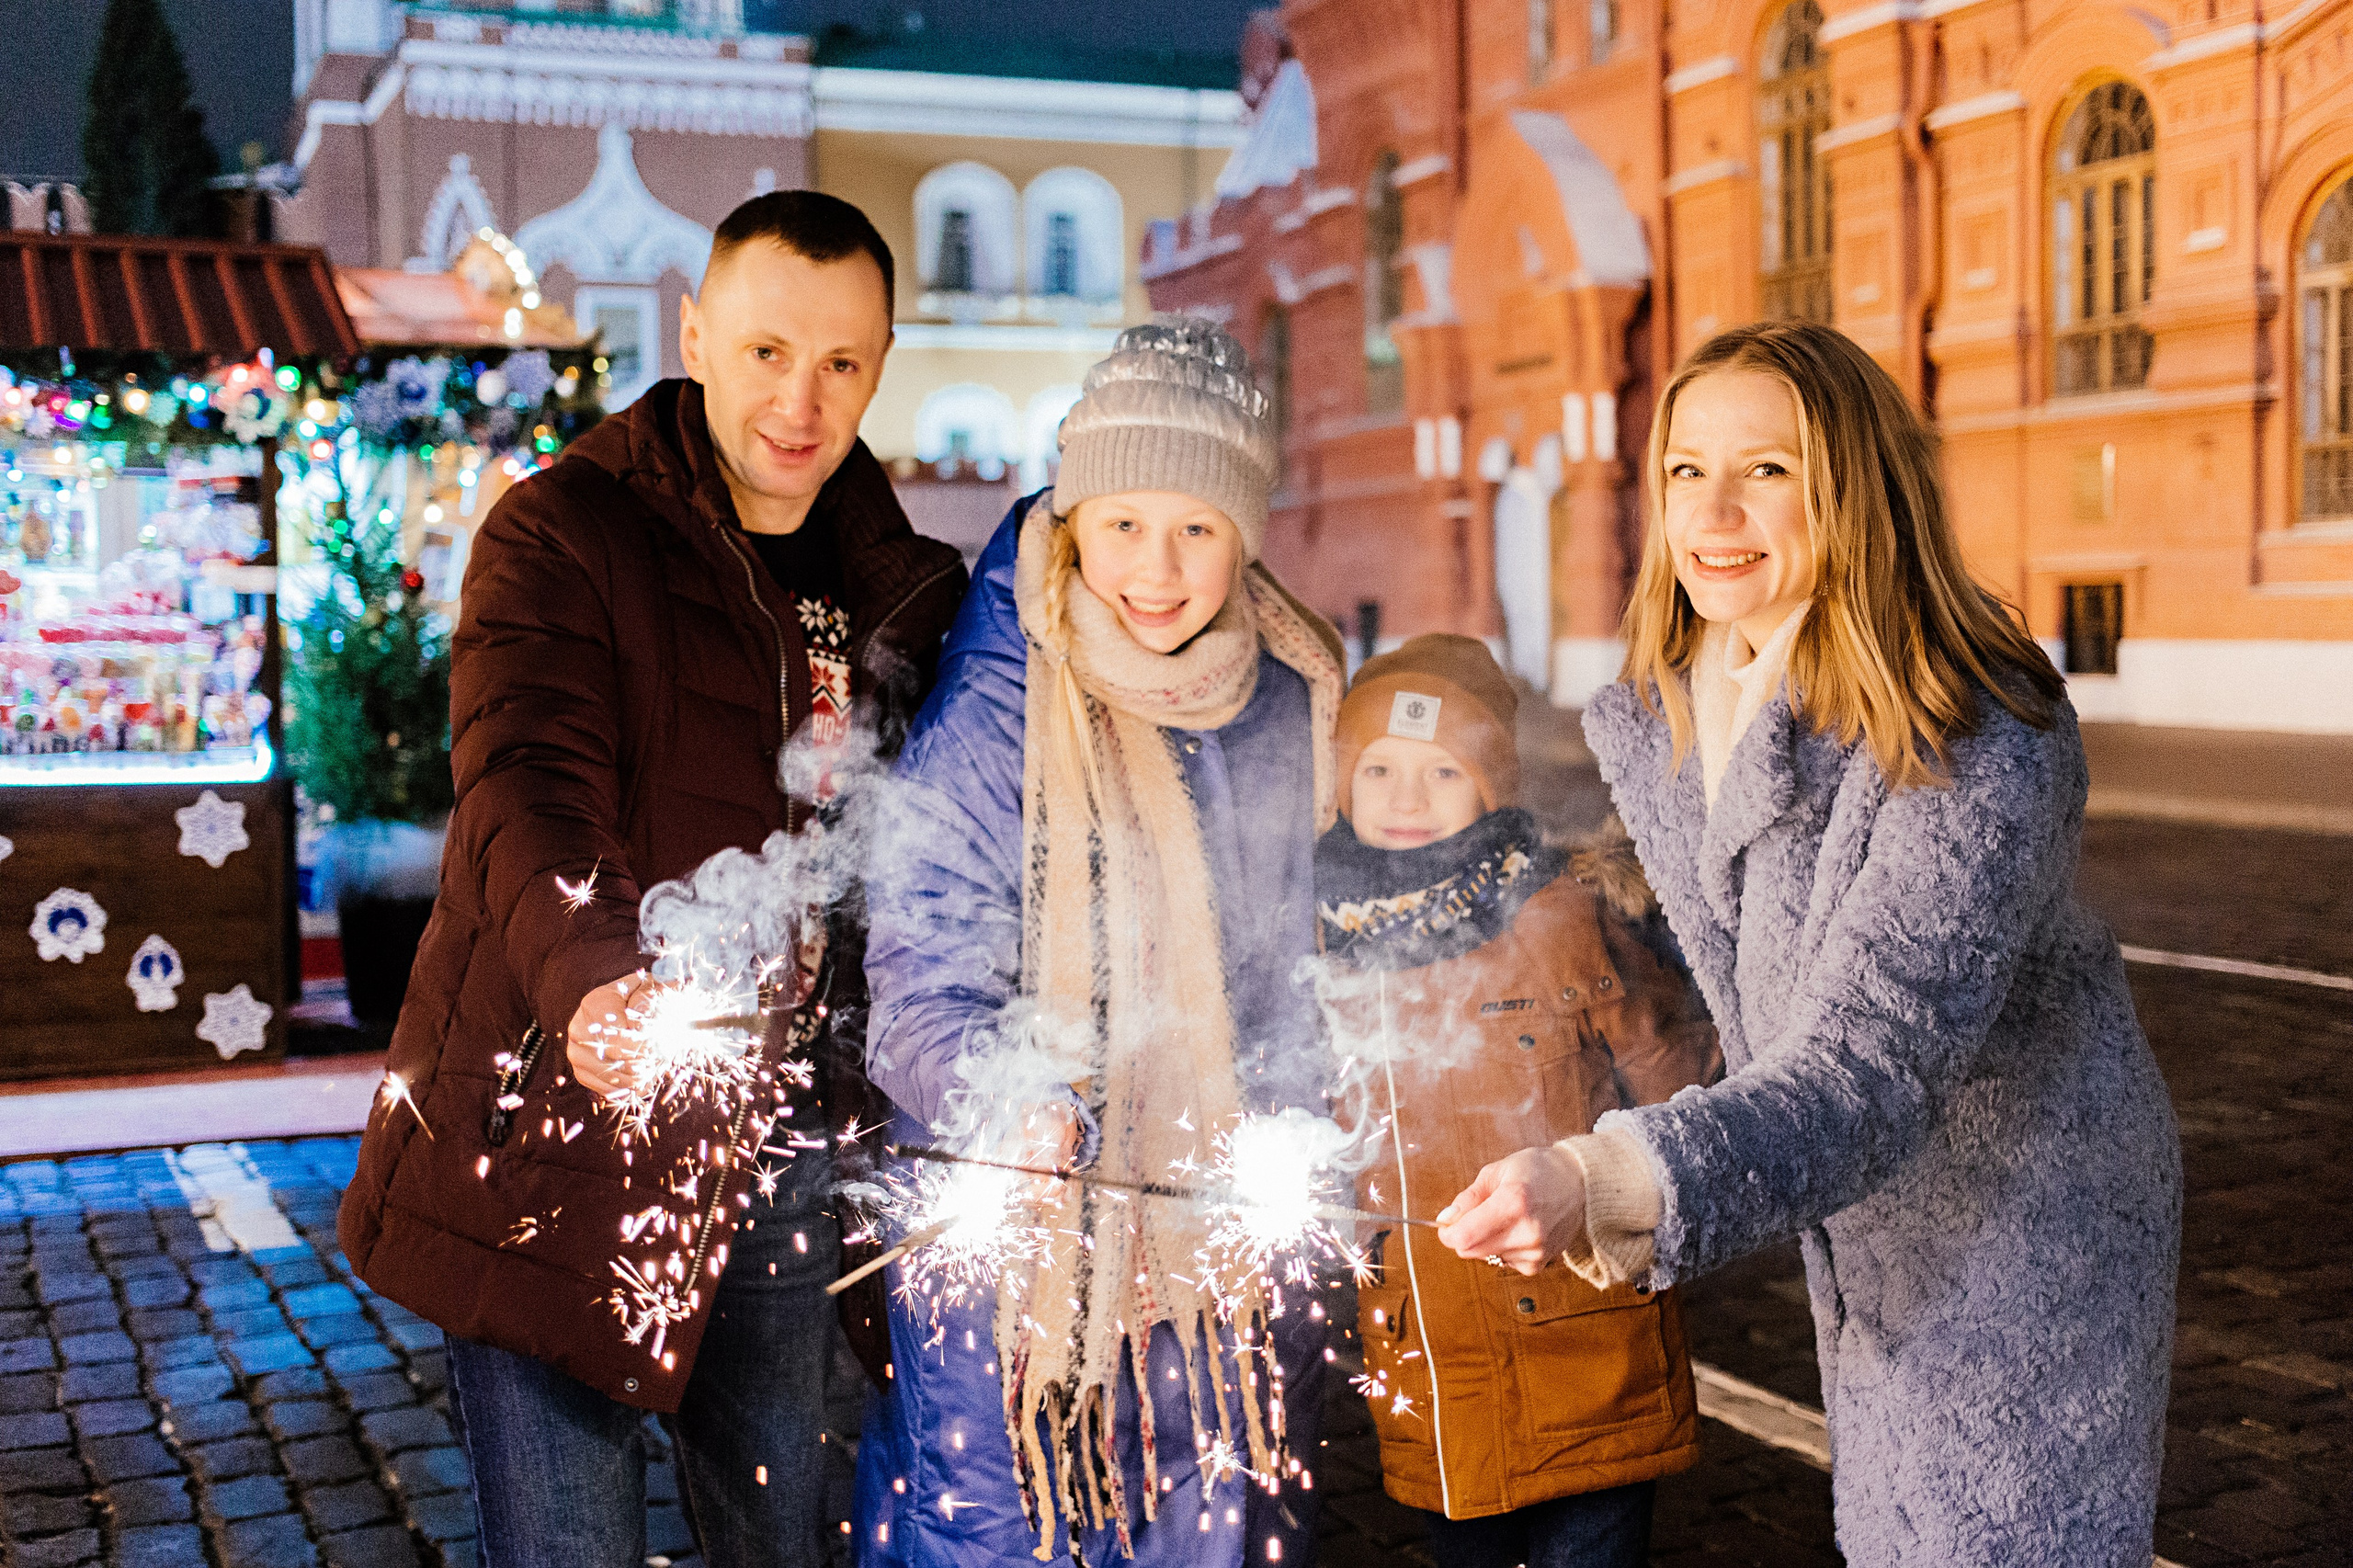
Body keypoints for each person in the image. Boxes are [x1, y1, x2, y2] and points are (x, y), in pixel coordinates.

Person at [1435, 321, 2183, 1567]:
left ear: (1856, 490)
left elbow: (1866, 1064)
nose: (1713, 510)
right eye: (1685, 468)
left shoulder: (1974, 734)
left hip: (2020, 1231)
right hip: (1860, 1217)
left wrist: (1607, 1176)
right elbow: (1729, 979)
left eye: (1767, 469)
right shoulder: (1681, 708)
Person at [335, 191, 967, 1568]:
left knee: (778, 1532)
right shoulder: (563, 530)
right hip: (561, 1127)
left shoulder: (905, 586)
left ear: (881, 363)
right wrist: (598, 975)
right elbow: (525, 778)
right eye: (765, 351)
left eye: (841, 361)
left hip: (785, 1145)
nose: (800, 400)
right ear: (695, 336)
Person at [854, 318, 1346, 1567]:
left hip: (1211, 1241)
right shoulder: (997, 704)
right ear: (1074, 521)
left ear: (1246, 533)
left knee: (1214, 1524)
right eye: (1124, 522)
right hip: (1023, 1250)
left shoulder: (1287, 691)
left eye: (1197, 527)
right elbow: (918, 975)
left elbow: (1295, 970)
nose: (1157, 569)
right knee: (1004, 1530)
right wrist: (1007, 1097)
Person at [1314, 634, 1721, 1568]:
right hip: (1433, 1377)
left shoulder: (1558, 919)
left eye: (1442, 771)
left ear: (1491, 786)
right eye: (1378, 769)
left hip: (1584, 1364)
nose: (1406, 798)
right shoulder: (1321, 949)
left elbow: (1676, 1081)